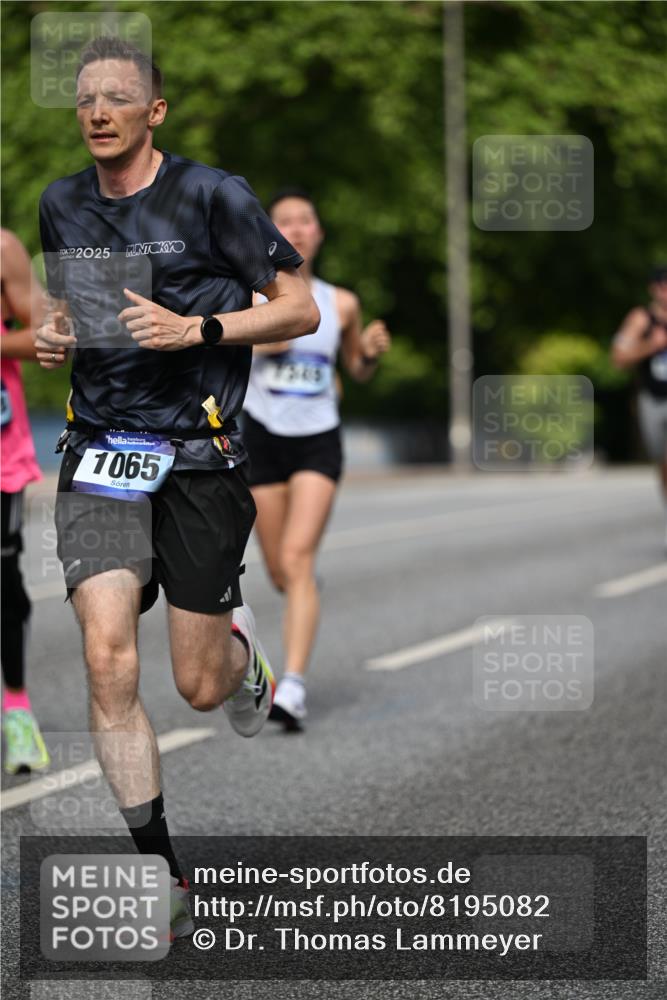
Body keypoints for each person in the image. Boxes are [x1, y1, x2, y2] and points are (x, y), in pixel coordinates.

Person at [35, 38, 319, 937]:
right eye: (86, 100)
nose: (98, 112)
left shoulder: (210, 195)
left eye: (118, 97)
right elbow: (78, 311)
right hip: (100, 453)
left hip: (198, 456)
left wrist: (197, 327)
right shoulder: (62, 202)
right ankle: (162, 872)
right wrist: (52, 332)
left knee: (198, 686)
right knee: (108, 655)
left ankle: (243, 660)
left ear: (153, 112)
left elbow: (297, 308)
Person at [242, 188, 391, 731]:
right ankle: (299, 591)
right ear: (269, 234)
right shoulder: (251, 297)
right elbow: (217, 348)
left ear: (319, 234)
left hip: (318, 439)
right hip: (261, 435)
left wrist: (368, 354)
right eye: (286, 222)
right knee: (281, 569)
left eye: (306, 220)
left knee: (300, 557)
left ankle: (294, 687)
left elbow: (355, 369)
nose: (298, 229)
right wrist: (265, 341)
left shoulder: (341, 303)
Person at [1, 228, 51, 774]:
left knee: (2, 578)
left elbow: (44, 337)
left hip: (0, 451)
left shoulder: (3, 250)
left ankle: (16, 708)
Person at [612, 265, 667, 545]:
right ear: (653, 289)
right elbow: (619, 358)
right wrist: (651, 346)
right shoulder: (641, 319)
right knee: (663, 463)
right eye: (661, 285)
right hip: (654, 400)